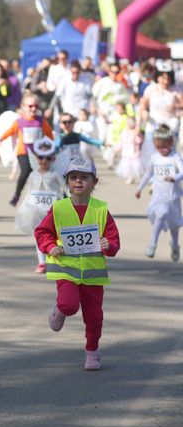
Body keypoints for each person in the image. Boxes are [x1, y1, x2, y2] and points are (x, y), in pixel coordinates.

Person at [35, 156, 121, 371]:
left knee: (93, 317)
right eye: (73, 177)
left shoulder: (101, 210)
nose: (78, 182)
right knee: (69, 305)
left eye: (84, 177)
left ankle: (92, 351)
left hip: (93, 274)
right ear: (67, 181)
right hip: (65, 269)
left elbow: (114, 241)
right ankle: (58, 311)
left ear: (94, 182)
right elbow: (42, 232)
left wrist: (107, 244)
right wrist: (49, 246)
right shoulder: (59, 208)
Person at [14, 138, 65, 273]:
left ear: (53, 159)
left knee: (56, 235)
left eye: (47, 158)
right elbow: (29, 192)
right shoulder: (33, 174)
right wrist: (24, 205)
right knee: (39, 234)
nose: (44, 161)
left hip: (53, 209)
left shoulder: (55, 174)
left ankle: (59, 257)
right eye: (41, 158)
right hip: (36, 209)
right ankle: (41, 262)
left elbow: (65, 189)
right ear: (36, 158)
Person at [135, 126, 183, 261]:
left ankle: (175, 245)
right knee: (160, 214)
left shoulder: (175, 157)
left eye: (165, 147)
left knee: (174, 226)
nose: (162, 150)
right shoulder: (155, 158)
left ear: (171, 143)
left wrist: (174, 178)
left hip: (172, 197)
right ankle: (152, 243)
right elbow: (148, 173)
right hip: (159, 196)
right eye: (158, 147)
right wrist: (139, 188)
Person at [0, 94, 54, 206]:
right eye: (30, 106)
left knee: (40, 174)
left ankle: (38, 195)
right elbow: (10, 131)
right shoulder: (20, 121)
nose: (33, 108)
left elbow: (49, 135)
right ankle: (17, 194)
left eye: (36, 106)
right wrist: (0, 140)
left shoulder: (41, 121)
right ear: (23, 107)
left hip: (38, 153)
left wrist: (51, 148)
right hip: (23, 151)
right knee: (25, 171)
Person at [114, 117, 144, 185]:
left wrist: (137, 133)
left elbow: (139, 140)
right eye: (128, 122)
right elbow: (121, 141)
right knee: (127, 165)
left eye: (132, 122)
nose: (130, 124)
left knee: (133, 165)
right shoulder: (124, 131)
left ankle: (132, 177)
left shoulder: (136, 132)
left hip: (133, 151)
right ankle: (130, 177)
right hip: (126, 151)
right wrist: (118, 147)